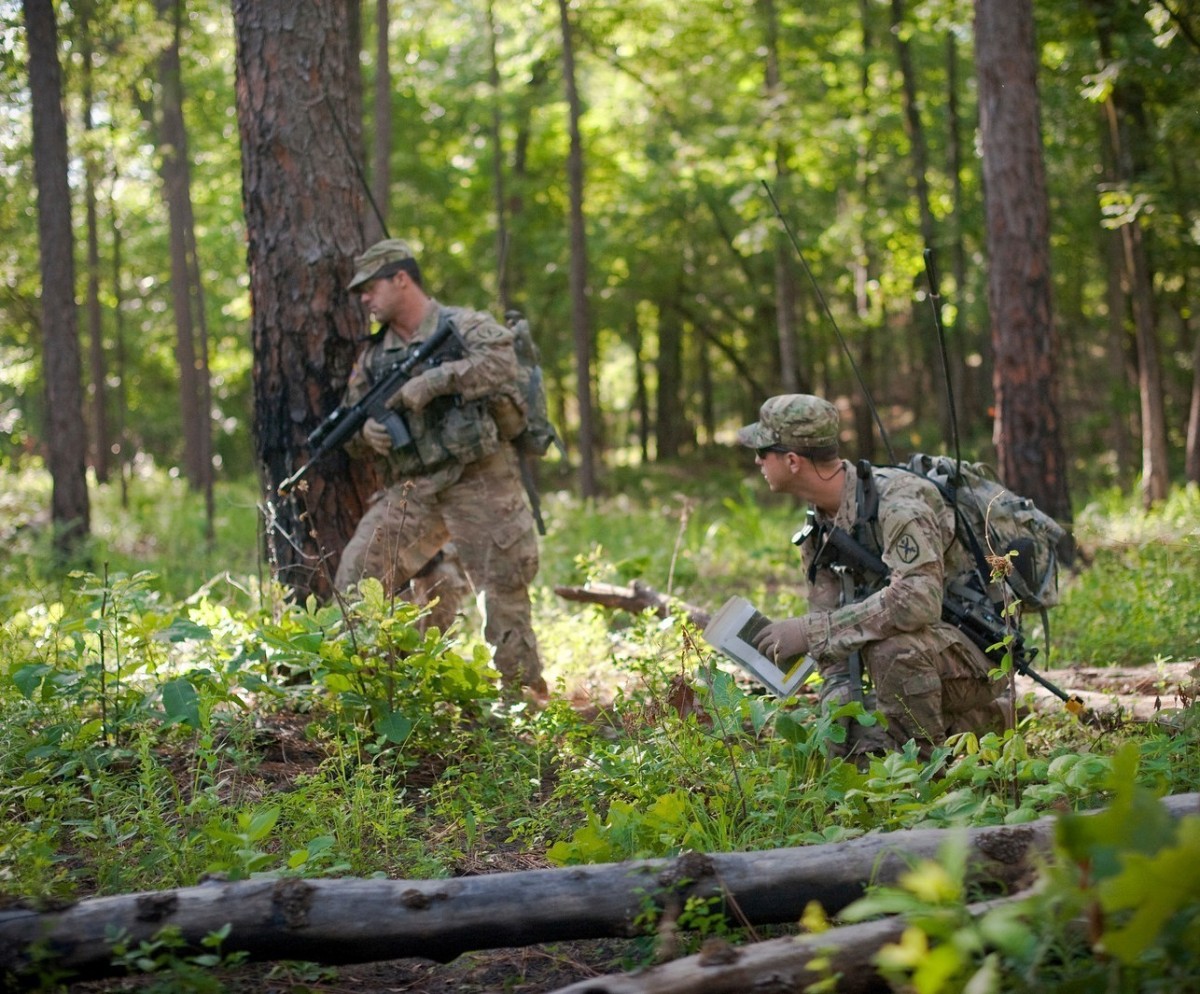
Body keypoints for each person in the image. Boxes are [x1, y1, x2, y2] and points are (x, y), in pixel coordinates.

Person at [737, 394, 1011, 758]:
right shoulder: (820, 528)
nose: (757, 460)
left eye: (763, 451)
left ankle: (924, 772)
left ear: (792, 460)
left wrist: (808, 632)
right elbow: (833, 648)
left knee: (892, 650)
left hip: (979, 655)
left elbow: (918, 601)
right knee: (856, 747)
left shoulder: (898, 503)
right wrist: (837, 721)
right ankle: (981, 721)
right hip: (923, 654)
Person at [332, 238, 546, 698]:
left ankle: (521, 700)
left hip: (481, 477)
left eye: (370, 288)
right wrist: (367, 434)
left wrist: (435, 380)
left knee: (503, 589)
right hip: (415, 487)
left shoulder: (464, 326)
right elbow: (350, 427)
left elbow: (501, 362)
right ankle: (378, 695)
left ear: (401, 279)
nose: (364, 300)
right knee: (358, 576)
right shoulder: (373, 358)